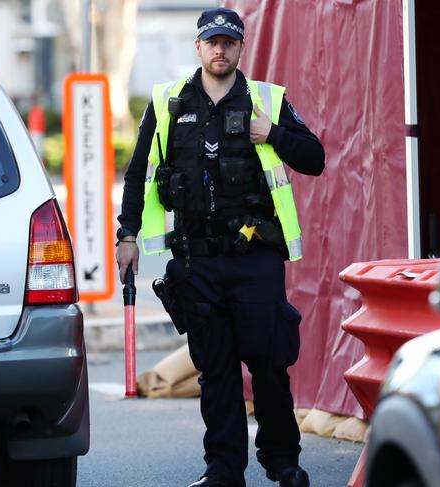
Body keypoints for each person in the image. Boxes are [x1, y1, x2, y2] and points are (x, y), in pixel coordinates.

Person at [116, 7, 324, 487]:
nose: (220, 49)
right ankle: (224, 470)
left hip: (255, 259)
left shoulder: (267, 101)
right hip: (197, 260)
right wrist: (127, 235)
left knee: (269, 365)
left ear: (240, 47)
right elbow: (138, 173)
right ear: (198, 46)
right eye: (212, 41)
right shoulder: (167, 102)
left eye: (229, 42)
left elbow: (315, 158)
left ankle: (283, 462)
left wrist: (271, 134)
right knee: (216, 371)